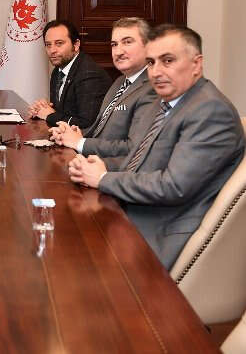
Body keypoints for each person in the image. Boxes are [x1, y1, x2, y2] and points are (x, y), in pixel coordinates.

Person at [68, 25, 245, 269]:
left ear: (196, 64)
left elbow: (173, 186)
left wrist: (104, 178)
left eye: (168, 61)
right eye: (151, 62)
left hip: (157, 232)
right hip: (132, 211)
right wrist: (96, 167)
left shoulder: (210, 110)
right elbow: (138, 160)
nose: (156, 72)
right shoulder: (168, 103)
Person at [50, 18, 157, 162]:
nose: (118, 51)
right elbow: (99, 130)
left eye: (127, 42)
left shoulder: (153, 87)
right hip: (90, 158)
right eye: (114, 44)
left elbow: (134, 148)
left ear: (148, 46)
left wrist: (80, 143)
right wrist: (73, 134)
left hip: (110, 168)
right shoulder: (120, 81)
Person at [28, 20, 111, 129]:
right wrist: (41, 110)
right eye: (48, 45)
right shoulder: (58, 71)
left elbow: (87, 123)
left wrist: (49, 115)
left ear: (76, 45)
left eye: (59, 43)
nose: (52, 50)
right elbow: (63, 112)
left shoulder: (89, 74)